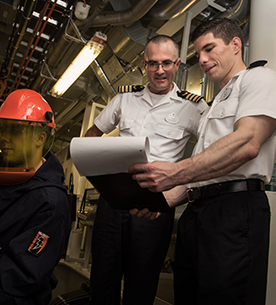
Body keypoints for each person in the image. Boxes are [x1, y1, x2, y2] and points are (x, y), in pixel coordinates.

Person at [129, 18, 276, 305]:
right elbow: (205, 171)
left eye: (210, 49)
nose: (204, 60)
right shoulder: (214, 103)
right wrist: (161, 201)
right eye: (199, 54)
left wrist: (174, 172)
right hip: (199, 212)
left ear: (235, 45)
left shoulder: (259, 79)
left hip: (234, 210)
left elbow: (247, 143)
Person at [85, 35, 206, 304]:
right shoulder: (124, 99)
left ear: (177, 64)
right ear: (144, 65)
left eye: (166, 63)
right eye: (153, 64)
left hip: (156, 202)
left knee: (142, 283)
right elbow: (92, 135)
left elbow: (209, 150)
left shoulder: (194, 107)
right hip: (113, 199)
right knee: (102, 279)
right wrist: (99, 174)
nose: (159, 70)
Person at [0, 89, 71, 305]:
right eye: (2, 129)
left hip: (9, 294)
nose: (4, 138)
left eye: (15, 131)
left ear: (40, 138)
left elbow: (19, 278)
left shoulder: (49, 204)